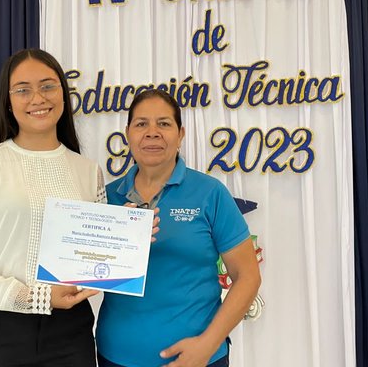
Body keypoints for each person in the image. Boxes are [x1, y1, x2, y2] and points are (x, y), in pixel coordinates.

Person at [0, 48, 103, 366]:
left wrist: (134, 237)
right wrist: (37, 298)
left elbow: (94, 255)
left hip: (71, 333)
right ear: (9, 100)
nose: (37, 98)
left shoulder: (89, 171)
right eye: (23, 90)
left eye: (47, 86)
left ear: (63, 92)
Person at [96, 89, 262, 367]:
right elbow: (87, 271)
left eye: (163, 123)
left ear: (180, 134)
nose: (152, 132)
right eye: (141, 124)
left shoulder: (210, 193)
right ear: (128, 134)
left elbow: (247, 276)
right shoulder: (105, 197)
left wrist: (207, 346)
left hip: (199, 358)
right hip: (116, 356)